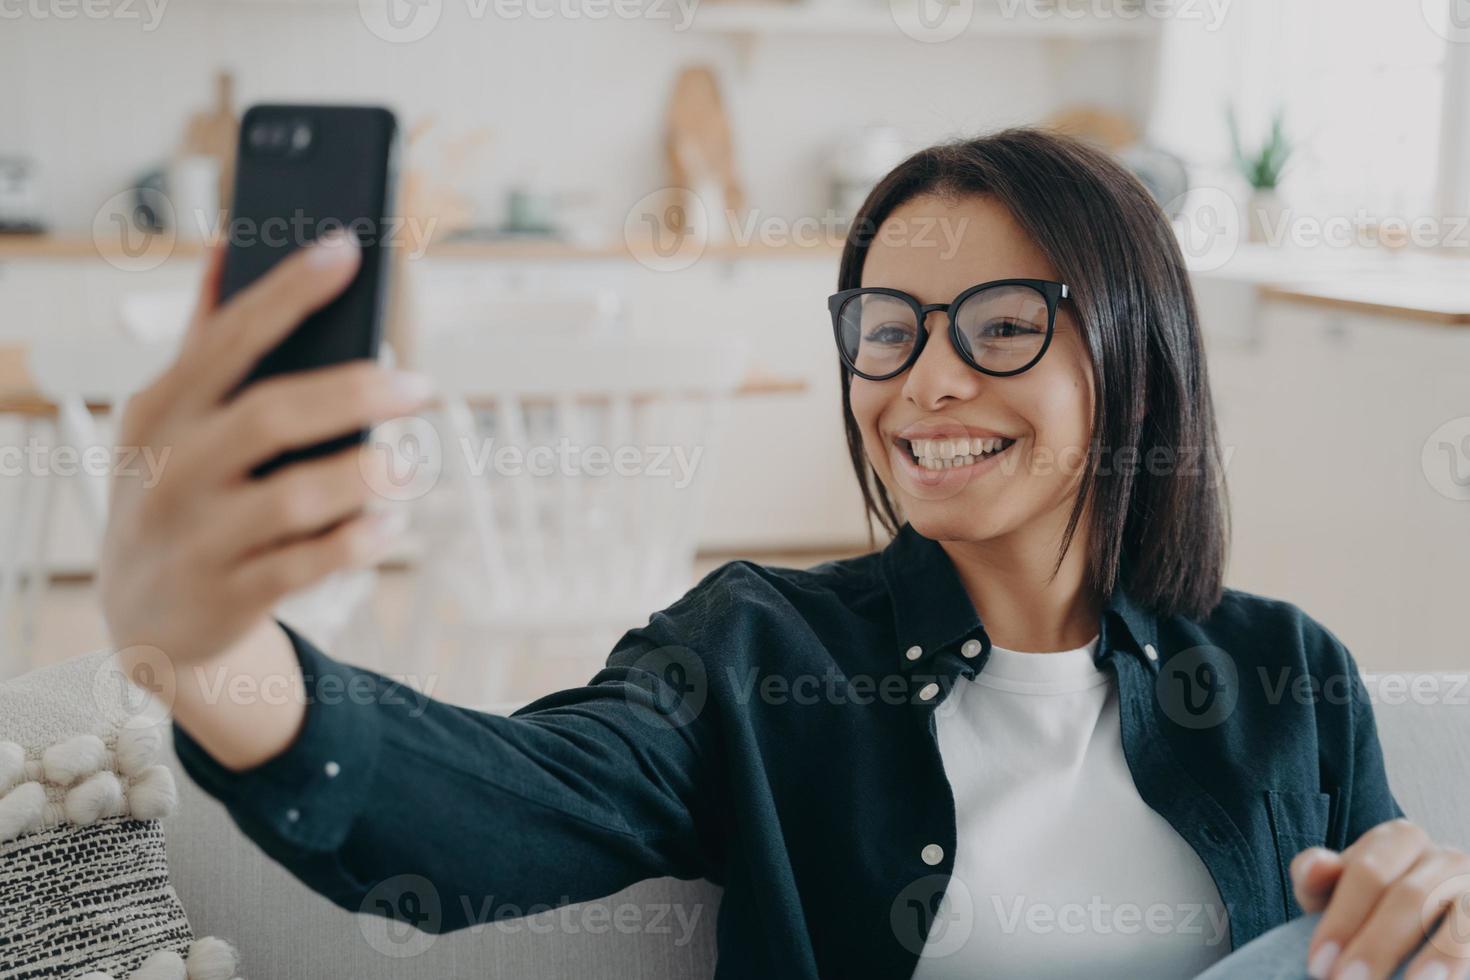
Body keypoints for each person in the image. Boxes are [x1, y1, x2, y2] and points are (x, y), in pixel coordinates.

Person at [98, 127, 1468, 979]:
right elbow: (490, 814)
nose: (922, 383)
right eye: (886, 329)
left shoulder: (1286, 672)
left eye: (997, 325)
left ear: (1135, 351)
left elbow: (1374, 939)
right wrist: (211, 648)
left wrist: (1434, 924)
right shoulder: (761, 652)